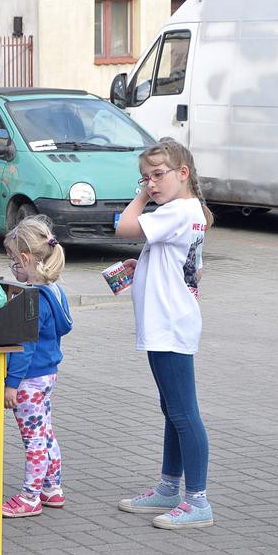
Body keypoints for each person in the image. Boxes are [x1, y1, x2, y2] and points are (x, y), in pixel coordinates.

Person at [114, 139, 214, 529]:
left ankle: (198, 501)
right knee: (173, 409)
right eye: (145, 178)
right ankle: (169, 488)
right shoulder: (192, 212)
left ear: (183, 173)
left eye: (157, 176)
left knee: (184, 412)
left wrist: (140, 196)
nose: (151, 184)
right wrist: (146, 266)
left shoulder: (176, 210)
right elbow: (193, 269)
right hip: (170, 322)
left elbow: (123, 227)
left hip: (169, 324)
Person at [0, 216, 73, 518]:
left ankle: (30, 497)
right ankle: (52, 488)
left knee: (33, 440)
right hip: (48, 375)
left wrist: (11, 384)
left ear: (27, 258)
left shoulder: (33, 301)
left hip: (28, 380)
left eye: (14, 262)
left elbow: (25, 347)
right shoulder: (55, 291)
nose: (13, 268)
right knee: (45, 431)